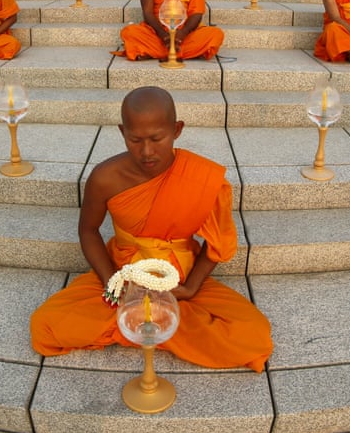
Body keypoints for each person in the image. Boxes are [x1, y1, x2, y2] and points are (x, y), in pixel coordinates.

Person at [29, 86, 273, 372]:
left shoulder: (200, 176)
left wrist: (190, 288)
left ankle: (141, 324)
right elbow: (88, 231)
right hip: (123, 272)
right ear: (122, 132)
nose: (146, 151)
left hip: (179, 276)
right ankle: (159, 324)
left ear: (177, 130)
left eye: (157, 138)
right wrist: (111, 283)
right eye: (135, 140)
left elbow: (218, 241)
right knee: (45, 326)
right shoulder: (105, 178)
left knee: (253, 336)